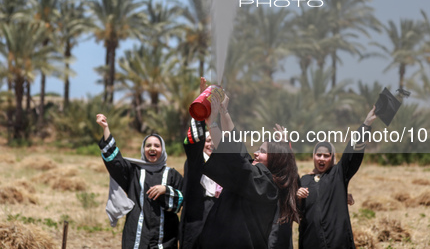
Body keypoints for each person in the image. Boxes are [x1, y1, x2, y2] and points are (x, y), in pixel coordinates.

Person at [195, 86, 300, 249]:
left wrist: (212, 124)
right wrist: (224, 112)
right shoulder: (255, 174)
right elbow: (235, 147)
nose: (256, 154)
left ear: (276, 160)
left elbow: (234, 159)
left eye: (263, 151)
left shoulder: (266, 185)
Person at [96, 113, 183, 249]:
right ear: (143, 150)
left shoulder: (172, 175)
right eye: (148, 146)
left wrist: (166, 190)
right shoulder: (133, 171)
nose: (152, 148)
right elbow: (115, 162)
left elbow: (181, 202)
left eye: (157, 146)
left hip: (165, 239)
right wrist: (105, 128)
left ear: (163, 150)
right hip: (136, 237)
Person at [297, 107, 377, 249]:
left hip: (337, 242)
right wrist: (297, 196)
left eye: (326, 155)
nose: (322, 158)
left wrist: (365, 125)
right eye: (318, 155)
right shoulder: (304, 180)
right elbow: (296, 213)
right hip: (311, 242)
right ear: (313, 156)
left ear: (332, 158)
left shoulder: (338, 175)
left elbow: (351, 154)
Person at [179, 118, 220, 249]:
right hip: (197, 220)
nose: (211, 144)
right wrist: (200, 116)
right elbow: (193, 146)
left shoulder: (225, 166)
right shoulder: (195, 163)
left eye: (215, 141)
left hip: (220, 219)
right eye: (208, 141)